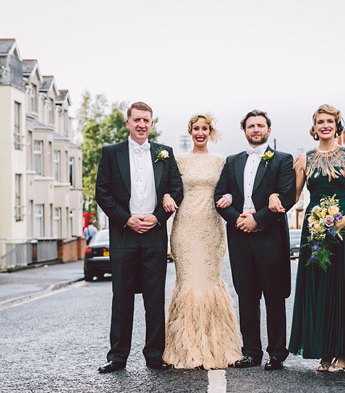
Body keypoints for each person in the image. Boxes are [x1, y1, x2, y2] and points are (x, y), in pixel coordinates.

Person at [269, 104, 345, 373]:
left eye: (329, 121)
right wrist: (273, 199)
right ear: (313, 127)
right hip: (313, 232)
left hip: (344, 232)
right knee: (319, 289)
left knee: (342, 288)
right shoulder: (304, 159)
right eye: (319, 122)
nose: (324, 125)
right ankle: (324, 351)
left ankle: (342, 353)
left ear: (337, 125)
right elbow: (293, 195)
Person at [95, 101, 183, 373]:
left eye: (146, 120)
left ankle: (155, 355)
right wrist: (126, 219)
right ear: (128, 123)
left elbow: (176, 190)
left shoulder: (164, 153)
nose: (142, 124)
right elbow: (102, 192)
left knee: (154, 298)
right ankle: (117, 357)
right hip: (124, 234)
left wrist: (158, 216)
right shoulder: (111, 153)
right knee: (121, 296)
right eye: (137, 120)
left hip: (154, 233)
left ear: (151, 124)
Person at [214, 110, 295, 371]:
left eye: (260, 125)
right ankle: (251, 352)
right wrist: (237, 218)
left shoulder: (282, 160)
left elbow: (287, 196)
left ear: (268, 130)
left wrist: (257, 220)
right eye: (251, 126)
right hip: (240, 238)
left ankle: (277, 354)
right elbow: (219, 195)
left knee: (273, 297)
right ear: (245, 131)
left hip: (269, 237)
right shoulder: (232, 161)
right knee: (246, 295)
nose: (256, 129)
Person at [160, 114, 242, 370]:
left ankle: (216, 347)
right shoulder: (178, 160)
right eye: (196, 128)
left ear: (210, 132)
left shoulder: (221, 161)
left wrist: (228, 195)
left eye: (204, 128)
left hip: (211, 226)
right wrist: (164, 195)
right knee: (188, 283)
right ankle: (186, 349)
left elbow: (231, 187)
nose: (200, 132)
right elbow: (167, 185)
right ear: (190, 131)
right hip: (185, 227)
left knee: (208, 282)